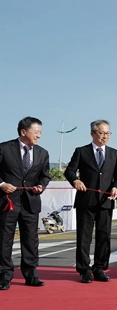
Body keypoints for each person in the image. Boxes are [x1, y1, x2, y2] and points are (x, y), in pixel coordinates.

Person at [64, 120, 117, 283]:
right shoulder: (81, 151)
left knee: (104, 237)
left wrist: (116, 187)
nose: (105, 136)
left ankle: (99, 268)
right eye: (102, 133)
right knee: (84, 237)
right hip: (86, 201)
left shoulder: (115, 153)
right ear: (92, 134)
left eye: (108, 133)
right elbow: (69, 171)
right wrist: (75, 181)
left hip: (106, 201)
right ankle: (84, 270)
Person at [0, 117, 51, 290]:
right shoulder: (4, 148)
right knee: (4, 240)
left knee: (30, 240)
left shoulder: (43, 153)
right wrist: (1, 184)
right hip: (7, 202)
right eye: (36, 132)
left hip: (30, 202)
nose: (39, 136)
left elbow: (45, 176)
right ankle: (4, 276)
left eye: (40, 132)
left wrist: (41, 186)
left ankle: (31, 274)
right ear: (23, 132)